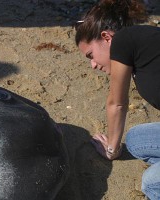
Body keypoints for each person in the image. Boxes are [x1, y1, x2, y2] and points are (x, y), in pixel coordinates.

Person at [74, 0, 160, 199]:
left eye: (91, 55)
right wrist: (115, 145)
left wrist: (111, 150)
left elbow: (117, 103)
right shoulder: (141, 46)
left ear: (106, 37)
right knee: (136, 140)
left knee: (152, 183)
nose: (93, 65)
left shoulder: (123, 41)